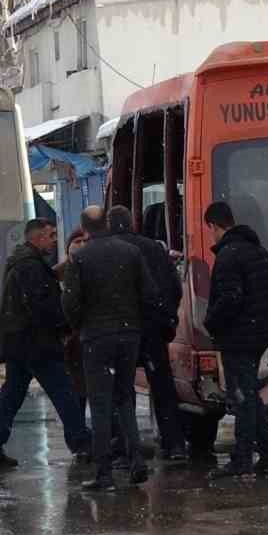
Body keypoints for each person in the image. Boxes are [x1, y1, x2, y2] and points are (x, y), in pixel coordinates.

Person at [0, 219, 92, 470]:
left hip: (19, 344)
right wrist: (66, 325)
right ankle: (82, 443)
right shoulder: (31, 267)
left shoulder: (25, 263)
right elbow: (44, 307)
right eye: (51, 235)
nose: (55, 239)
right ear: (37, 238)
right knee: (65, 394)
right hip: (36, 344)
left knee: (11, 397)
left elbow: (37, 294)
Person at [61, 205, 156, 491]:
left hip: (96, 337)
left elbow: (70, 303)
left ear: (85, 228)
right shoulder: (130, 252)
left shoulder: (80, 258)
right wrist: (134, 320)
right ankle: (136, 461)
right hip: (129, 334)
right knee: (125, 398)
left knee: (100, 404)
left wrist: (81, 325)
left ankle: (104, 473)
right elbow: (150, 293)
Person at [203, 201, 268, 480]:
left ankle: (242, 459)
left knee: (243, 398)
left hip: (238, 337)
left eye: (210, 230)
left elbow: (230, 298)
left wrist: (210, 321)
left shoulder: (229, 256)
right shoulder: (258, 251)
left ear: (214, 226)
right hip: (257, 335)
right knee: (249, 396)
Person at [107, 205, 186, 462]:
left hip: (119, 331)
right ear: (132, 223)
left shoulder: (105, 251)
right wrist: (167, 319)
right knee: (162, 387)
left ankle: (126, 448)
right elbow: (173, 287)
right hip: (151, 329)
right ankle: (175, 444)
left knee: (122, 390)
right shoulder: (153, 249)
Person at [56, 228, 90, 424]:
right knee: (76, 393)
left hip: (90, 338)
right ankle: (80, 436)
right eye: (77, 241)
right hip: (71, 343)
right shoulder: (57, 273)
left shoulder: (95, 269)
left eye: (85, 241)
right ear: (68, 247)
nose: (81, 246)